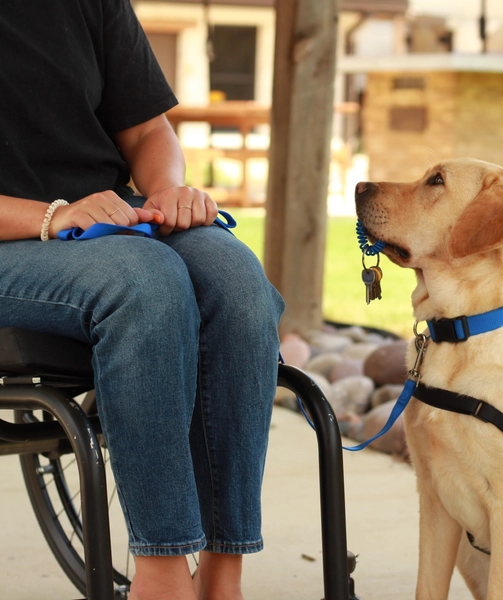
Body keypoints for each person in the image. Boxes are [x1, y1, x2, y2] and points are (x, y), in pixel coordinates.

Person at [0, 2, 285, 599]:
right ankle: (160, 573)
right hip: (22, 236)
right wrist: (54, 217)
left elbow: (147, 129)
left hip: (111, 222)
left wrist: (167, 193)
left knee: (237, 286)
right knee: (145, 282)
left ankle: (221, 573)